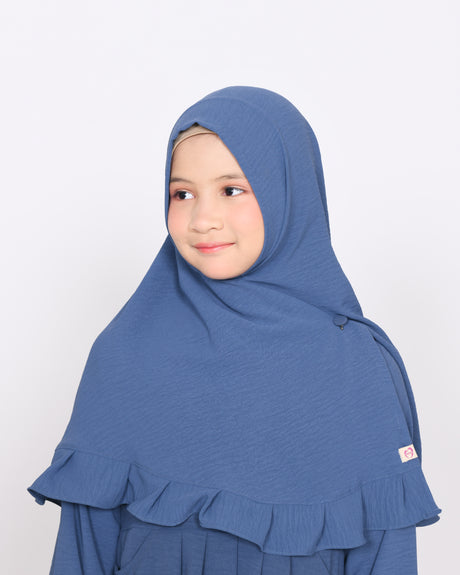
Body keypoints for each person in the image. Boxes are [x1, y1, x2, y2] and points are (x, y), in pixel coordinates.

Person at [28, 86, 442, 575]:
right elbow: (82, 554)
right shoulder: (125, 356)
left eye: (232, 190)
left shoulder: (356, 367)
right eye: (182, 194)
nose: (203, 219)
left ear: (289, 194)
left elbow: (386, 559)